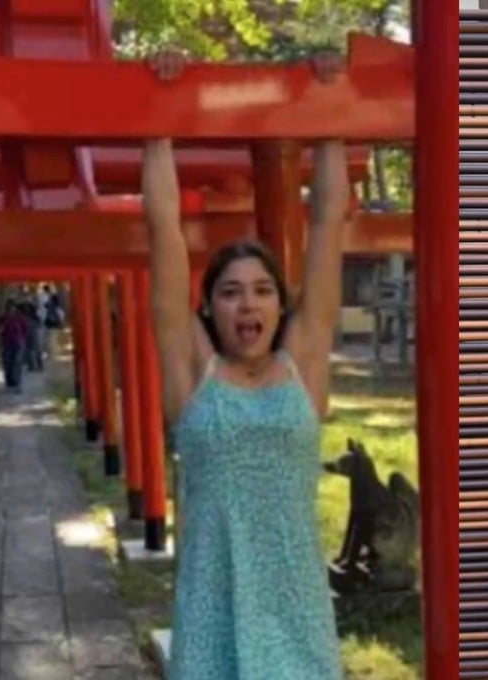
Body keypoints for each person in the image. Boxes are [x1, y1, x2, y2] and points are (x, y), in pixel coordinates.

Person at [143, 51, 349, 680]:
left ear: (280, 303)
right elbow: (165, 234)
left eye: (262, 289)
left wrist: (331, 110)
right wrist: (158, 114)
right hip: (211, 611)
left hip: (297, 607)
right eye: (230, 291)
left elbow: (328, 224)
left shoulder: (303, 364)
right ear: (209, 307)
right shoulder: (191, 375)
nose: (247, 303)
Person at [0, 299, 29, 392]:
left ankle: (17, 384)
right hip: (6, 343)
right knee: (8, 364)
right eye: (9, 307)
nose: (11, 309)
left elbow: (25, 330)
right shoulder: (3, 318)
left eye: (13, 307)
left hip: (18, 343)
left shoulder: (20, 317)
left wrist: (23, 340)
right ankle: (9, 384)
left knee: (17, 364)